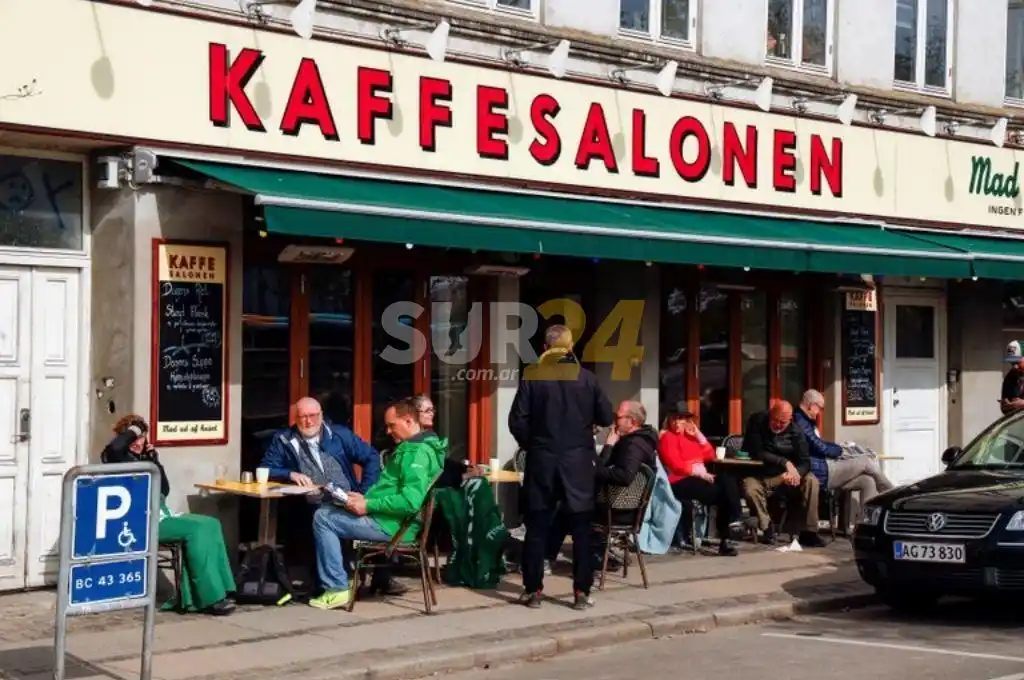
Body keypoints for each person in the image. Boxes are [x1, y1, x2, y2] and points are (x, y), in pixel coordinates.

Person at [509, 324, 615, 610]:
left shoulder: (532, 377)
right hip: (578, 463)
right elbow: (606, 416)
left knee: (537, 527)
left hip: (543, 462)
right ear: (570, 349)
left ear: (545, 348)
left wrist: (535, 445)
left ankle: (533, 591)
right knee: (581, 529)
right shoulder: (588, 379)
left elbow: (516, 421)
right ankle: (581, 592)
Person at [259, 397, 405, 598]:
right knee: (314, 518)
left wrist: (364, 491)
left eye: (313, 416)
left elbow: (371, 457)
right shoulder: (284, 439)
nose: (308, 422)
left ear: (321, 416)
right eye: (303, 417)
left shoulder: (338, 435)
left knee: (343, 518)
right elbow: (265, 468)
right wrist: (290, 474)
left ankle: (365, 580)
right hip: (308, 503)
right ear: (295, 418)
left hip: (346, 499)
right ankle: (329, 581)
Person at [306, 400, 444, 610]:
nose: (388, 431)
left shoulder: (415, 453)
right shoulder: (417, 448)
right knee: (330, 510)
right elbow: (395, 491)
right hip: (390, 521)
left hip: (392, 527)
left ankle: (336, 588)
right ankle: (343, 580)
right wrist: (361, 499)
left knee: (323, 518)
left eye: (392, 425)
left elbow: (409, 501)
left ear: (408, 420)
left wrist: (368, 505)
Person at [101, 415, 235, 615]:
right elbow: (114, 449)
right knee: (196, 530)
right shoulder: (115, 458)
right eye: (133, 438)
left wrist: (155, 462)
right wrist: (133, 431)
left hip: (162, 514)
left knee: (211, 524)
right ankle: (209, 597)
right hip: (139, 523)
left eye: (141, 438)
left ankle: (221, 589)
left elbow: (164, 490)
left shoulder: (143, 459)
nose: (138, 442)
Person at [658, 410, 751, 556]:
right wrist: (700, 473)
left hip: (700, 478)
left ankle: (734, 519)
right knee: (722, 494)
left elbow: (710, 455)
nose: (677, 423)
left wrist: (698, 435)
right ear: (668, 420)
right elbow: (676, 465)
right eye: (674, 419)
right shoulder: (667, 437)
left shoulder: (691, 437)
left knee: (727, 480)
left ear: (688, 421)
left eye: (682, 419)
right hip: (679, 480)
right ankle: (728, 533)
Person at [740, 401, 826, 548]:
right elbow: (756, 451)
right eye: (775, 420)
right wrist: (784, 462)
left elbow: (805, 462)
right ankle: (766, 527)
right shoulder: (757, 421)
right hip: (762, 473)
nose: (778, 425)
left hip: (788, 476)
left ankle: (809, 531)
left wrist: (796, 475)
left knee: (812, 481)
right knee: (749, 487)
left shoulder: (797, 431)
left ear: (790, 420)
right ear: (770, 414)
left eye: (783, 422)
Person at [794, 389, 894, 503]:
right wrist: (839, 450)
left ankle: (866, 518)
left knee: (868, 481)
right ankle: (892, 495)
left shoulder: (804, 420)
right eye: (820, 408)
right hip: (821, 472)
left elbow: (819, 443)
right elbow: (821, 447)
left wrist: (837, 446)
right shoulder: (800, 422)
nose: (820, 413)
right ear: (811, 405)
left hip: (823, 468)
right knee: (866, 462)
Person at [1002, 341, 1024, 415]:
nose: (1015, 366)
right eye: (1012, 363)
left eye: (1017, 362)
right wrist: (1007, 406)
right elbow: (1005, 409)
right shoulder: (1010, 377)